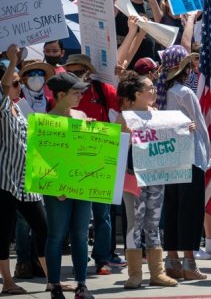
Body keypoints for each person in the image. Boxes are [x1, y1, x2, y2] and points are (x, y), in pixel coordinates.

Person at [155, 46, 211, 280]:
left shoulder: (162, 92)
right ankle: (189, 263)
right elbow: (199, 124)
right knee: (189, 210)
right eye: (189, 65)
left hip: (170, 159)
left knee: (172, 208)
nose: (192, 69)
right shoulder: (185, 93)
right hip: (190, 158)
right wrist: (207, 157)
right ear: (183, 68)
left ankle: (173, 261)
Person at [116, 72, 177, 289]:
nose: (154, 90)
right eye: (150, 88)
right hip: (133, 178)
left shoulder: (156, 113)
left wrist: (183, 131)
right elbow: (117, 151)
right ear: (138, 94)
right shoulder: (124, 117)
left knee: (153, 223)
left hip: (155, 175)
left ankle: (157, 273)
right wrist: (129, 137)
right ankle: (134, 274)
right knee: (135, 224)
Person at [62, 55, 121, 274]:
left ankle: (102, 258)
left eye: (78, 72)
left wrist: (122, 77)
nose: (75, 77)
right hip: (74, 158)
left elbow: (125, 105)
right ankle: (80, 256)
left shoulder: (102, 89)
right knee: (78, 214)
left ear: (87, 72)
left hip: (100, 156)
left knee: (102, 213)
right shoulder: (64, 94)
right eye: (71, 72)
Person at [0, 45, 49, 295]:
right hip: (5, 180)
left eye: (20, 83)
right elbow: (2, 88)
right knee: (3, 234)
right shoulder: (0, 106)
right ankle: (8, 282)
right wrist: (11, 62)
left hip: (26, 179)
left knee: (44, 229)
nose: (19, 87)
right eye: (15, 83)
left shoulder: (18, 107)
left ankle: (52, 280)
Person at [44, 72, 94, 299]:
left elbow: (88, 153)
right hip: (58, 190)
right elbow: (41, 159)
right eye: (75, 92)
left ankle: (81, 285)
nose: (81, 96)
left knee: (81, 236)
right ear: (61, 94)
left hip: (82, 185)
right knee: (56, 235)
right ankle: (54, 285)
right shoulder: (46, 121)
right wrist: (56, 186)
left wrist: (92, 131)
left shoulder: (81, 115)